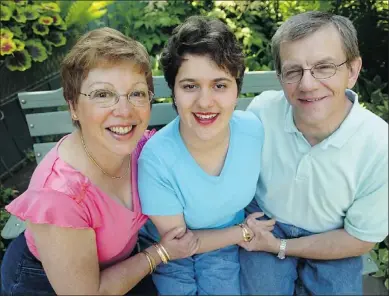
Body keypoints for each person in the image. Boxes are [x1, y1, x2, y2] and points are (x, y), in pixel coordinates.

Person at [1, 27, 200, 296]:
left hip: (124, 263)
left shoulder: (142, 149)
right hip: (52, 282)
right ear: (73, 107)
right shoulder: (59, 195)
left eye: (137, 93)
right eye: (102, 94)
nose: (124, 110)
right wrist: (161, 252)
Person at [239, 11, 388, 295]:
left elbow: (360, 239)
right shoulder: (262, 112)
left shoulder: (380, 146)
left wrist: (281, 248)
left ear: (353, 71)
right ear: (280, 77)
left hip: (335, 236)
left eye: (324, 67)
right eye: (294, 71)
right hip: (267, 223)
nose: (307, 84)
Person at [137, 16, 274, 295]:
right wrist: (243, 232)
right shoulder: (156, 159)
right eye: (190, 86)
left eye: (220, 85)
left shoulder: (253, 131)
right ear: (173, 92)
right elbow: (179, 243)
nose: (205, 101)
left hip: (224, 248)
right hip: (171, 254)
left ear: (237, 89)